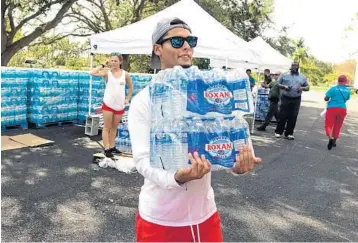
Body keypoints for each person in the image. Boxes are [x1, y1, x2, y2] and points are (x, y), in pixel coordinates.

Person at [128, 17, 262, 242]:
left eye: (191, 40)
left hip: (205, 216)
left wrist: (236, 165)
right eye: (178, 41)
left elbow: (220, 145)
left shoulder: (206, 97)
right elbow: (141, 161)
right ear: (157, 49)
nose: (187, 46)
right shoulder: (145, 100)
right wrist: (177, 177)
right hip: (161, 220)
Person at [90, 52, 133, 158]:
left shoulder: (125, 74)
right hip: (108, 104)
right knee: (107, 127)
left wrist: (127, 98)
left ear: (120, 62)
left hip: (119, 105)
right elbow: (92, 72)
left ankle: (112, 146)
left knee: (114, 127)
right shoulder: (107, 73)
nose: (113, 62)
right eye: (112, 60)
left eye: (115, 61)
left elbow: (131, 88)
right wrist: (103, 65)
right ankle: (107, 148)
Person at [274, 62, 309, 140]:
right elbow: (277, 84)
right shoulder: (284, 74)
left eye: (296, 66)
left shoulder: (302, 77)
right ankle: (278, 132)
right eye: (293, 66)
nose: (294, 67)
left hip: (296, 98)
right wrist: (284, 86)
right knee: (282, 115)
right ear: (290, 67)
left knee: (293, 116)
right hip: (285, 97)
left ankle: (289, 133)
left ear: (298, 67)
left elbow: (307, 87)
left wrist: (302, 88)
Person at [324, 75, 350, 150]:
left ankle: (330, 138)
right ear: (345, 82)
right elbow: (347, 98)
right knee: (338, 125)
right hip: (342, 109)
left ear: (338, 81)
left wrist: (327, 98)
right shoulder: (347, 90)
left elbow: (326, 98)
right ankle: (334, 142)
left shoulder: (333, 88)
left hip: (332, 108)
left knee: (329, 125)